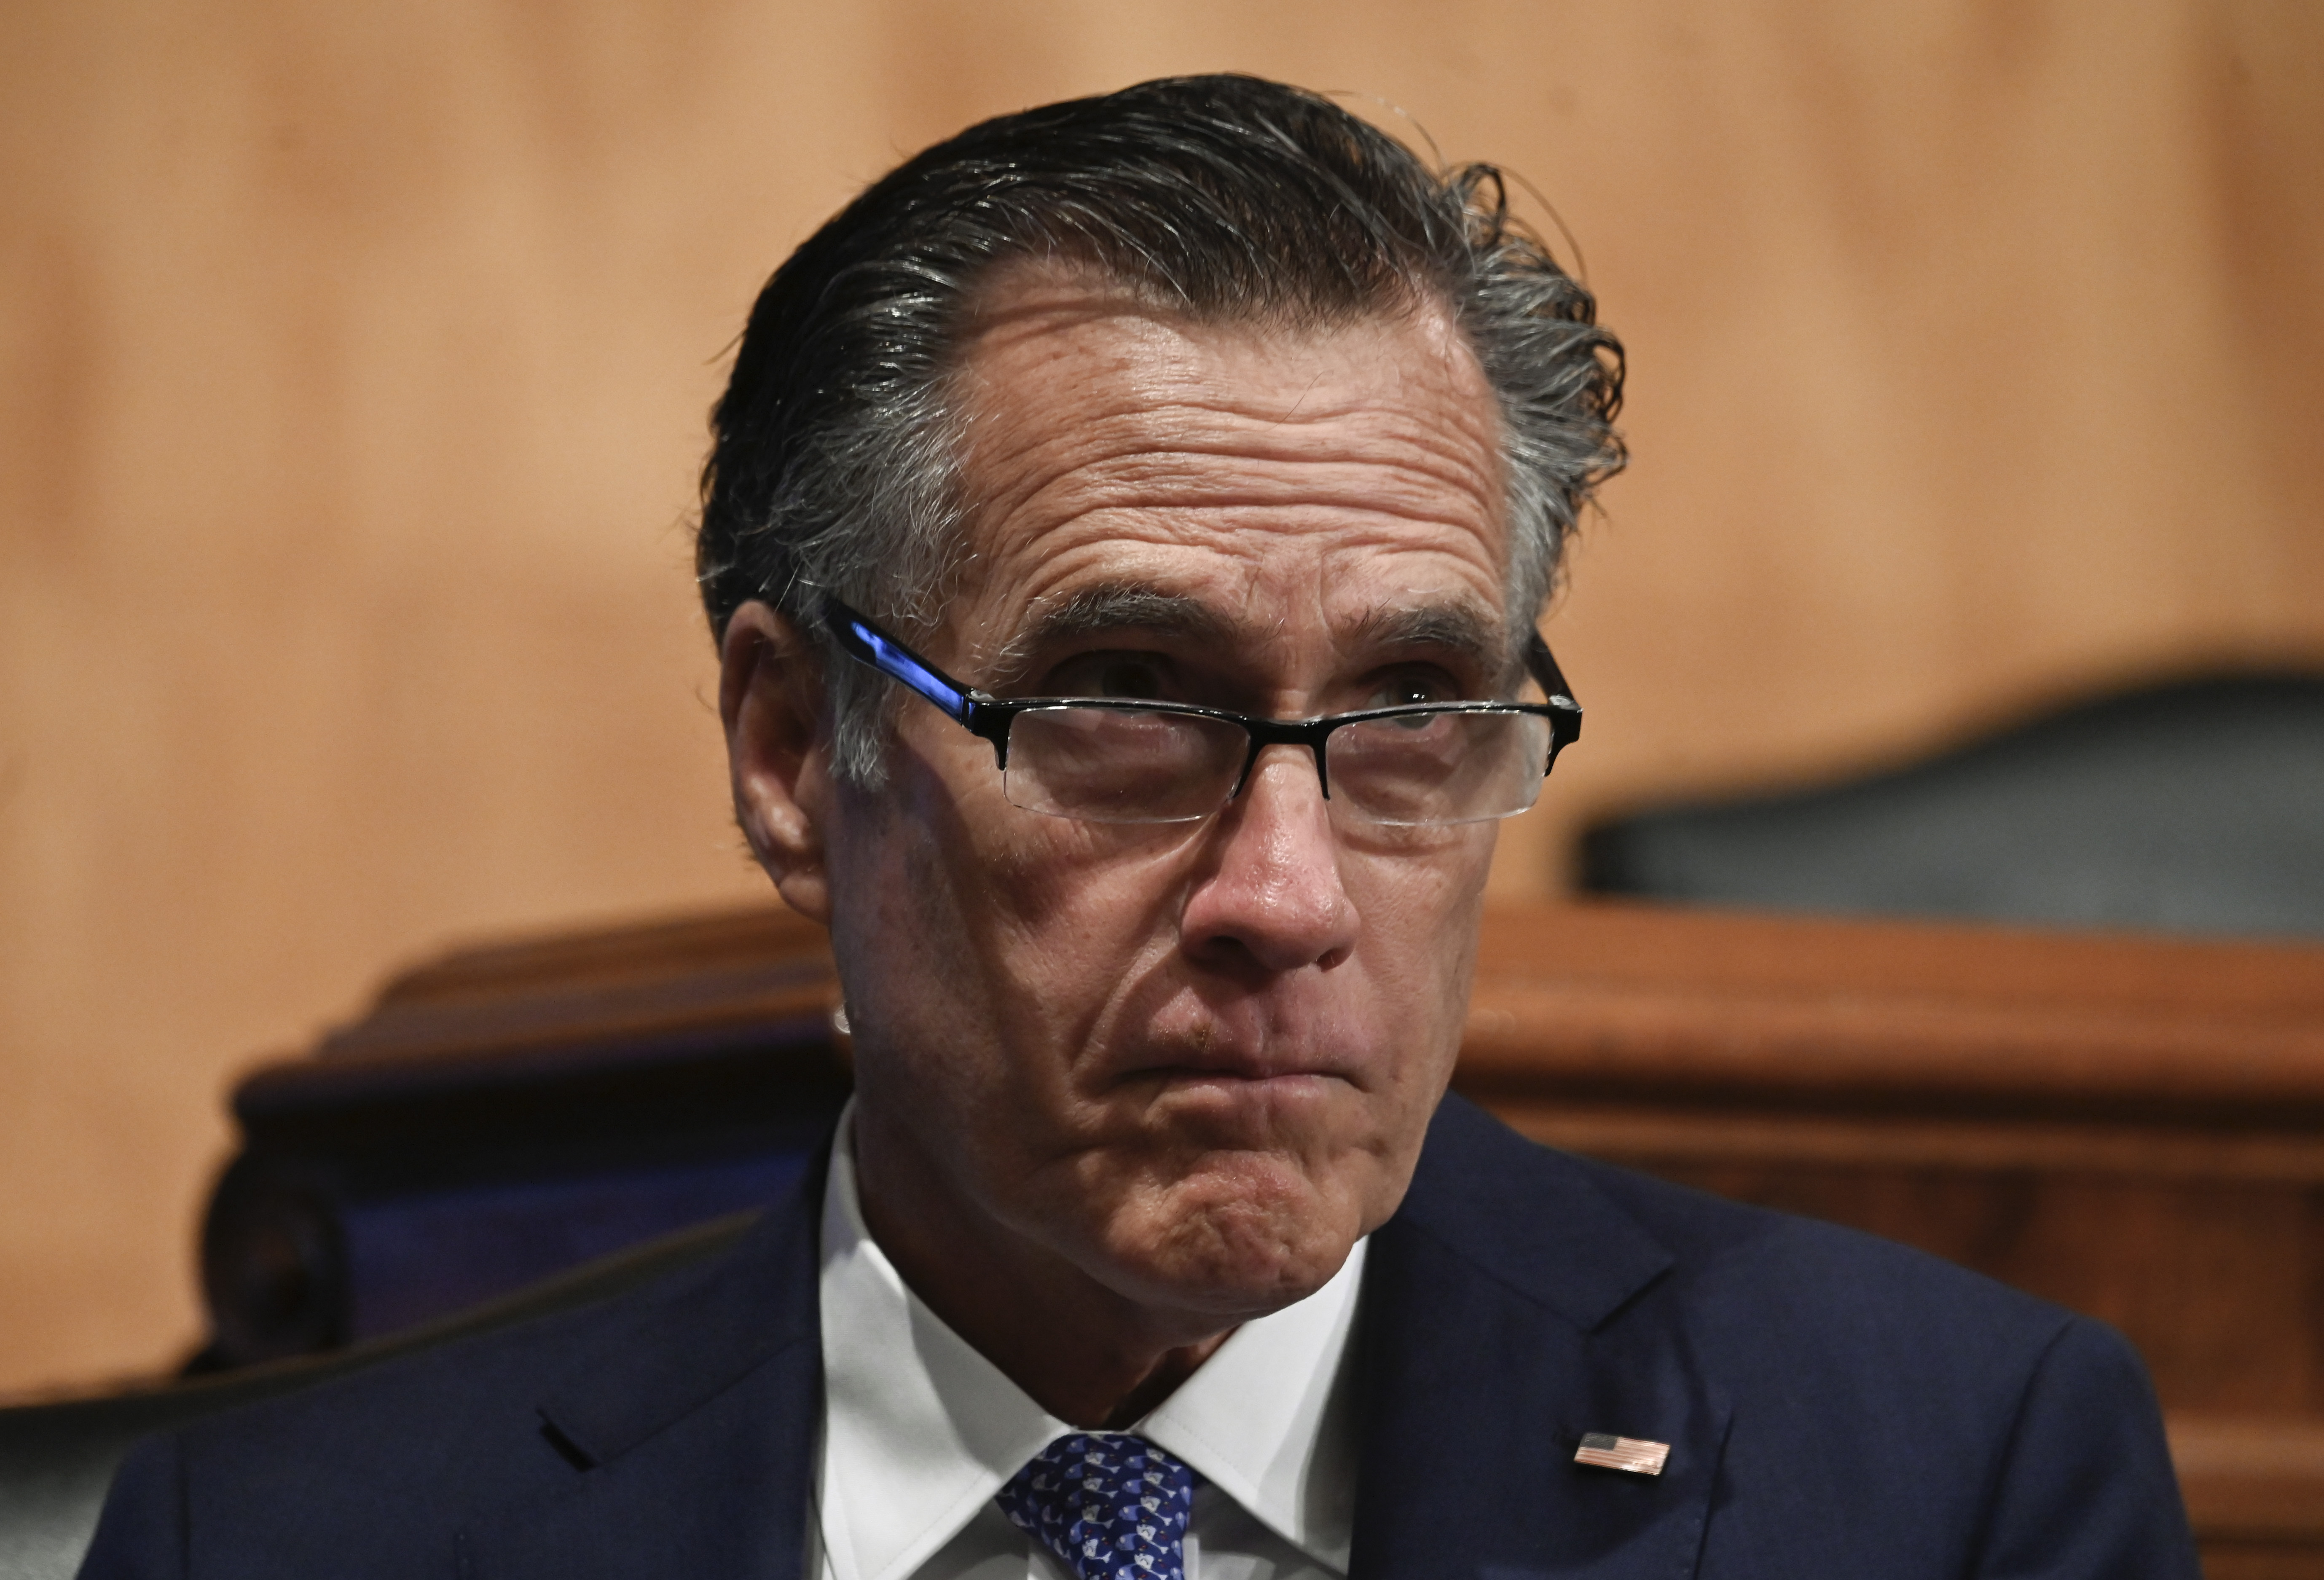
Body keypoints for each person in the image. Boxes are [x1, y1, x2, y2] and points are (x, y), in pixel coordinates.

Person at [80, 74, 2196, 1580]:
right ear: (794, 749)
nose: (1287, 895)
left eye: (1408, 711)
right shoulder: (279, 1543)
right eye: (1124, 703)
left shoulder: (1943, 1477)